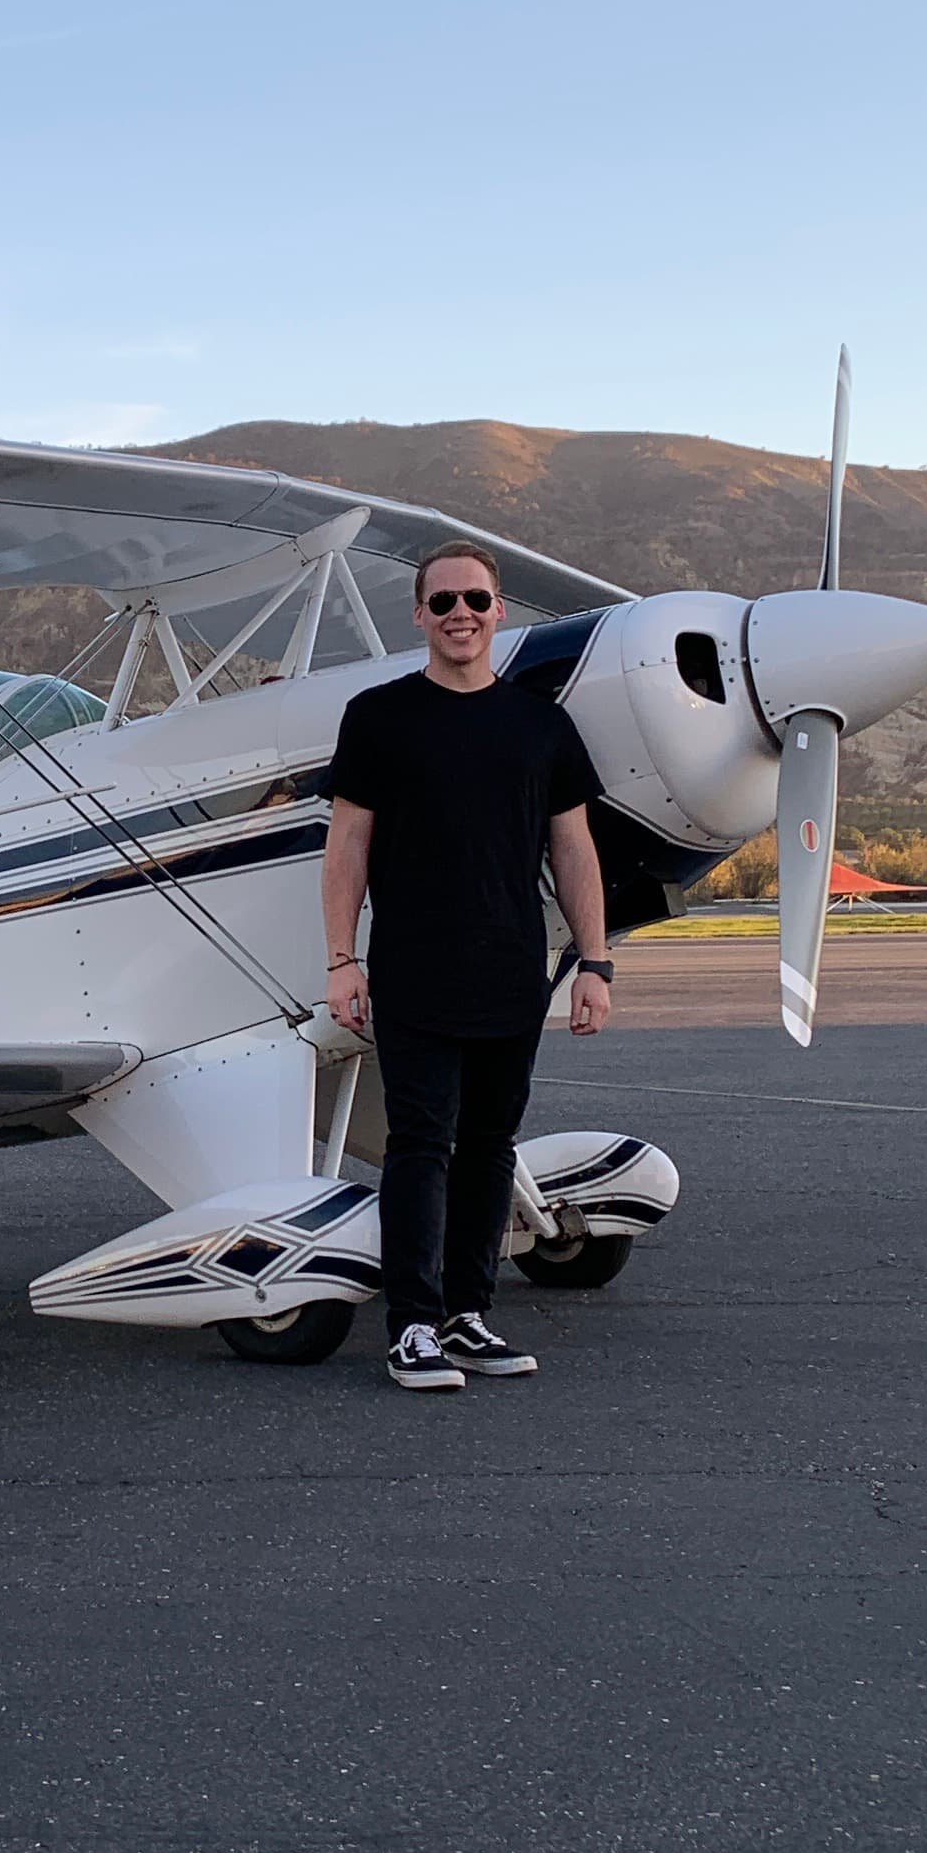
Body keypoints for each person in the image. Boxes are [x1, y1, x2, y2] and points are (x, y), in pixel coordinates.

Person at [321, 541, 613, 1391]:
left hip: (512, 970)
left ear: (499, 613)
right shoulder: (377, 717)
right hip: (411, 967)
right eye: (443, 600)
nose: (461, 614)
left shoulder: (539, 725)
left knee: (489, 1144)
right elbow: (348, 844)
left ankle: (466, 1315)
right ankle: (411, 1326)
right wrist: (342, 959)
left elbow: (573, 847)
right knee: (420, 1141)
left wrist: (593, 961)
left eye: (476, 601)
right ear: (418, 614)